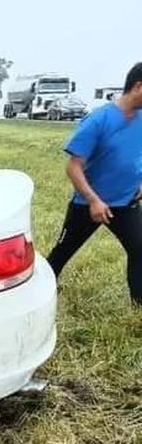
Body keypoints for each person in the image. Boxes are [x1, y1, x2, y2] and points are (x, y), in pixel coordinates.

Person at [46, 61, 142, 303]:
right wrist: (94, 201)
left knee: (140, 248)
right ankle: (42, 291)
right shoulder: (99, 120)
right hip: (89, 204)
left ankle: (139, 302)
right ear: (138, 86)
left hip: (126, 202)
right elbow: (73, 167)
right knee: (62, 253)